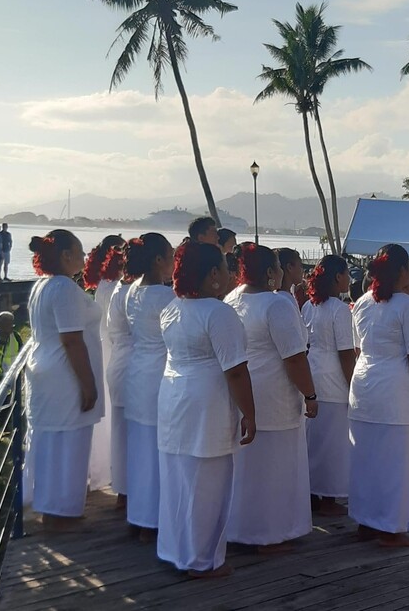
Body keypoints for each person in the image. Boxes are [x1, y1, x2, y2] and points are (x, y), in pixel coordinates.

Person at [157, 241, 256, 578]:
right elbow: (237, 370)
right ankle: (201, 559)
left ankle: (176, 549)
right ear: (213, 274)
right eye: (226, 268)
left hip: (174, 397)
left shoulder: (172, 309)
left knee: (179, 480)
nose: (231, 275)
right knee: (208, 484)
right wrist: (250, 413)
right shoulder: (219, 313)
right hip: (206, 402)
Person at [225, 243, 318, 553]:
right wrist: (310, 394)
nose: (281, 272)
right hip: (273, 394)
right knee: (273, 468)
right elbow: (294, 358)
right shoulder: (276, 304)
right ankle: (267, 533)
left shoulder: (232, 299)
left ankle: (240, 526)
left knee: (248, 468)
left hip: (242, 394)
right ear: (269, 273)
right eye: (278, 267)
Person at [348, 244, 409, 548]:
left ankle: (367, 520)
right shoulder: (408, 306)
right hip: (395, 389)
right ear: (402, 271)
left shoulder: (361, 303)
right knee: (396, 462)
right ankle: (390, 527)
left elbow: (358, 349)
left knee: (367, 458)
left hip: (364, 385)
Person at [24, 229, 104, 531]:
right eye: (80, 252)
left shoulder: (42, 286)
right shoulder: (64, 288)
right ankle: (60, 512)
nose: (84, 258)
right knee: (68, 443)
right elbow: (72, 340)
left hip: (45, 371)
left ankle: (52, 506)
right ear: (66, 256)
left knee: (51, 442)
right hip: (64, 375)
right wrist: (88, 383)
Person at [123, 233, 175, 541]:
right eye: (170, 255)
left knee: (141, 449)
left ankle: (139, 515)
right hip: (158, 374)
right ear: (158, 259)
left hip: (137, 371)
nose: (173, 262)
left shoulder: (132, 291)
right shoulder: (165, 297)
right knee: (158, 449)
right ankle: (155, 519)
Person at [301, 255, 356, 517]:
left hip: (314, 373)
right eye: (346, 274)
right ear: (337, 277)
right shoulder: (339, 309)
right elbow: (346, 353)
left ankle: (311, 492)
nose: (349, 279)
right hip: (334, 380)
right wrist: (353, 384)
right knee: (333, 445)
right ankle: (328, 497)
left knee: (314, 441)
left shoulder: (310, 306)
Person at [83, 235, 125, 491]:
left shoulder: (103, 284)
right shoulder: (114, 287)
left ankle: (108, 463)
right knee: (111, 407)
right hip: (113, 348)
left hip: (104, 346)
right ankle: (111, 464)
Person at [105, 248, 141, 511]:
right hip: (131, 364)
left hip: (119, 361)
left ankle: (123, 488)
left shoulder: (119, 288)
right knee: (134, 432)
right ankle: (130, 492)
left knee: (122, 431)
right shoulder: (134, 292)